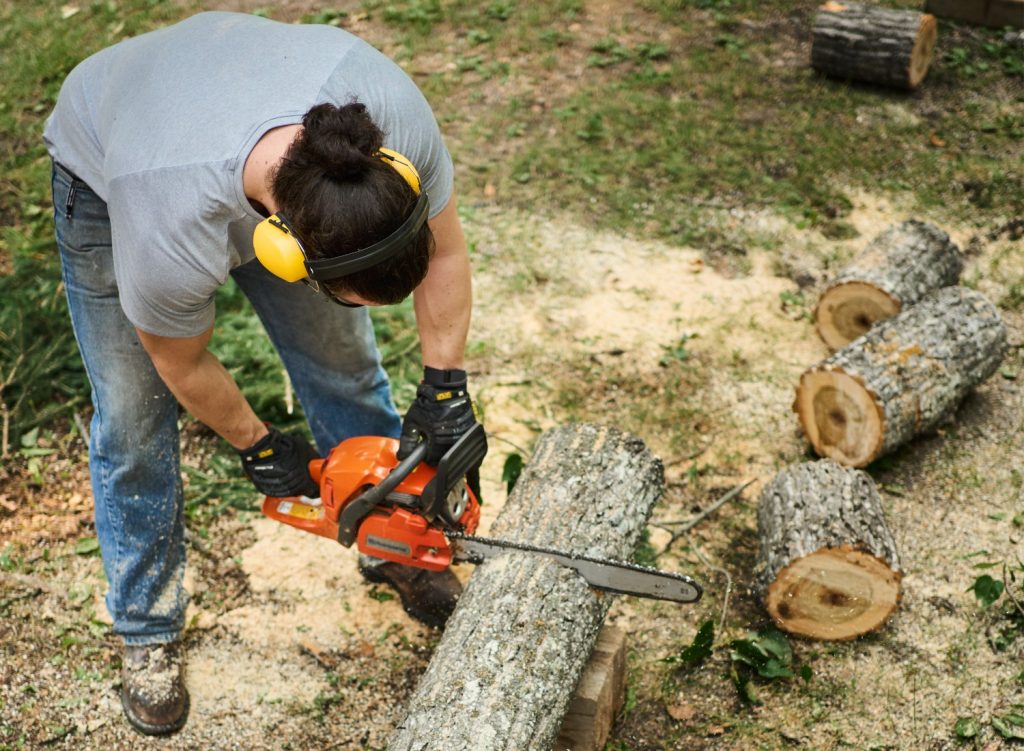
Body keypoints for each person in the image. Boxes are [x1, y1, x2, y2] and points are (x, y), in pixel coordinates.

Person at [43, 11, 482, 736]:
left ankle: (388, 532)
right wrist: (257, 444)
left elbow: (446, 254)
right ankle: (147, 629)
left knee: (343, 360)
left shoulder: (392, 123)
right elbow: (176, 358)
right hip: (116, 161)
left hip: (240, 128)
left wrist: (446, 386)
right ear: (294, 255)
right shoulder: (165, 217)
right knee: (132, 414)